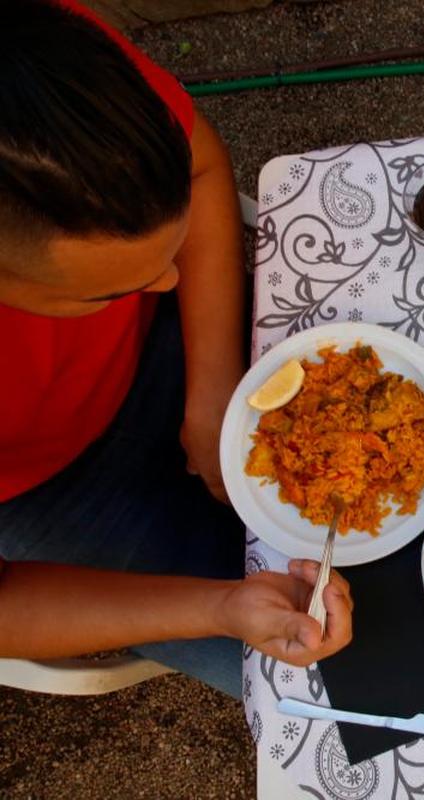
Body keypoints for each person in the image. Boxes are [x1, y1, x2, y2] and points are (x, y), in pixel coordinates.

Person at [0, 0, 352, 698]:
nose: (167, 278)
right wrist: (221, 609)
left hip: (187, 346)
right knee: (335, 689)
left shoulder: (47, 73)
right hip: (55, 495)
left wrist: (214, 383)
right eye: (105, 291)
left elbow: (196, 165)